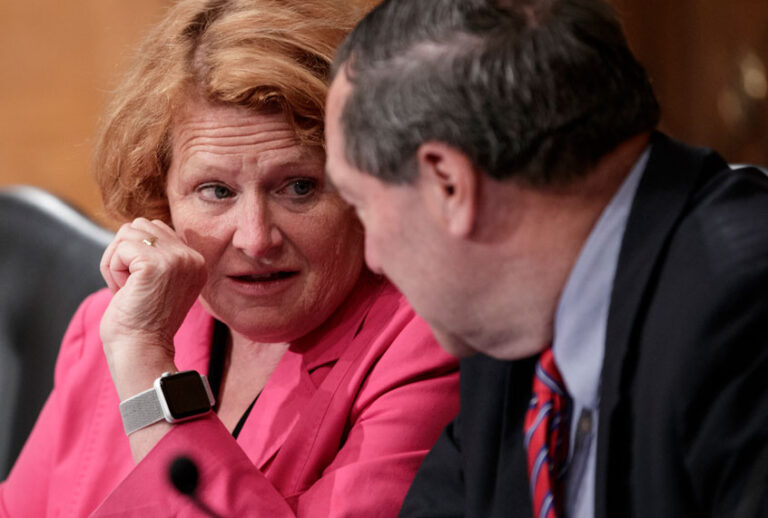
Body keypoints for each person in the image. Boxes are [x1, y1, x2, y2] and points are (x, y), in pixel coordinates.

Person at [0, 0, 460, 516]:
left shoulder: (425, 344)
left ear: (365, 183)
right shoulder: (104, 327)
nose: (255, 238)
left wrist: (148, 368)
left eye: (299, 186)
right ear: (160, 195)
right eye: (216, 191)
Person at [325, 0, 768, 517]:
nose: (373, 258)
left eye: (360, 205)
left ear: (447, 183)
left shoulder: (740, 309)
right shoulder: (508, 323)